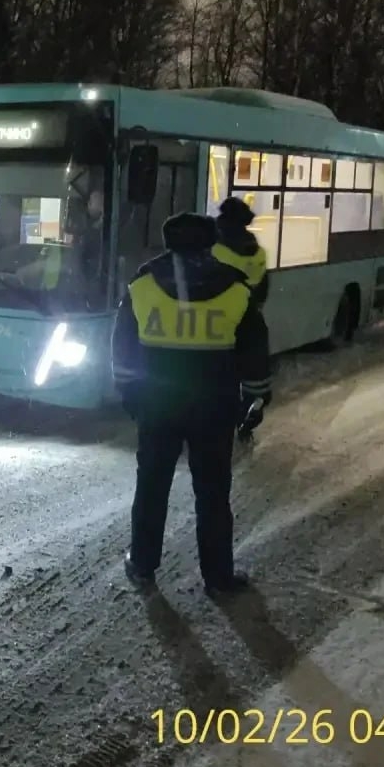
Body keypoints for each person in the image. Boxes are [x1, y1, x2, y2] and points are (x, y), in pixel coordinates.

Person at [111, 211, 272, 597]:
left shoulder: (143, 284)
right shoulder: (235, 287)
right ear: (209, 242)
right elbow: (254, 350)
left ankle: (143, 566)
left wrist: (131, 396)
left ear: (169, 243)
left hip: (158, 405)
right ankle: (218, 579)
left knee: (151, 487)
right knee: (213, 494)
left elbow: (123, 348)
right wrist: (255, 397)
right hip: (214, 408)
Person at [212, 197, 269, 305]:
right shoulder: (255, 248)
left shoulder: (215, 246)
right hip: (249, 302)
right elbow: (263, 285)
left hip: (222, 304)